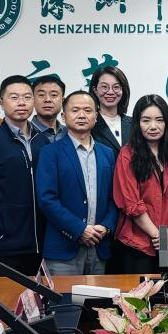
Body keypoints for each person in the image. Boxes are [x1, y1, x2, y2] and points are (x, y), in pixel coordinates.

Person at [36, 90, 117, 276]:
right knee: (63, 296)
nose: (82, 115)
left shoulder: (107, 153)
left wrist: (106, 227)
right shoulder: (50, 153)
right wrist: (79, 229)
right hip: (63, 248)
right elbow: (47, 199)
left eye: (88, 110)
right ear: (64, 117)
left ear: (96, 117)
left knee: (98, 296)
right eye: (75, 110)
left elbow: (114, 198)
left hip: (99, 245)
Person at [0, 75, 48, 275]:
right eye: (14, 97)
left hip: (39, 244)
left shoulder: (44, 142)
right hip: (2, 245)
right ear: (0, 102)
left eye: (27, 97)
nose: (21, 103)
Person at [113, 94, 168, 274]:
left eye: (159, 120)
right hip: (138, 243)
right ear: (137, 123)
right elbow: (131, 203)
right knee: (141, 291)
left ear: (167, 123)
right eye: (146, 120)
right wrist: (158, 236)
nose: (153, 126)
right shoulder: (127, 155)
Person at [89, 66, 132, 154]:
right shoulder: (89, 124)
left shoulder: (134, 123)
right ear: (95, 90)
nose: (110, 92)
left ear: (123, 90)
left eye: (116, 87)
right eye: (104, 87)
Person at [30, 74, 68, 143]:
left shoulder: (70, 133)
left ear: (62, 101)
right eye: (41, 95)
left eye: (53, 95)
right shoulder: (25, 133)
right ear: (33, 100)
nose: (47, 99)